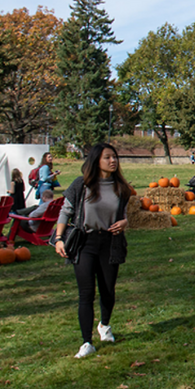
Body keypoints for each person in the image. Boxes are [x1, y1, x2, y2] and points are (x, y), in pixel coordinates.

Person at [52, 143, 134, 359]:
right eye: (107, 157)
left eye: (115, 157)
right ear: (96, 160)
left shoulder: (121, 187)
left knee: (108, 290)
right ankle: (86, 342)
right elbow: (65, 212)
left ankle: (104, 325)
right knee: (86, 294)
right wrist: (59, 239)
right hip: (85, 243)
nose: (113, 161)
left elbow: (128, 214)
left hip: (110, 243)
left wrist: (125, 222)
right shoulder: (82, 185)